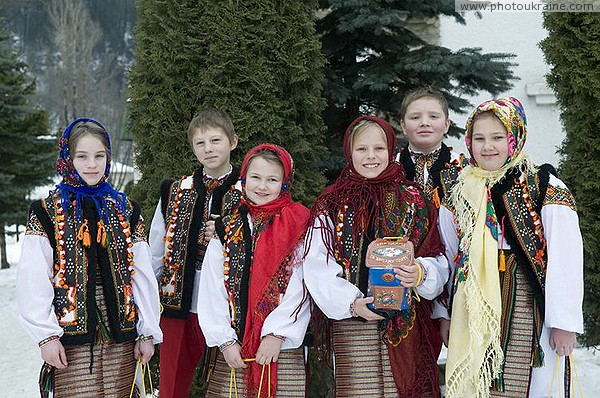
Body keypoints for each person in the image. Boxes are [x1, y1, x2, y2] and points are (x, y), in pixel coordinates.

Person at [438, 97, 584, 397]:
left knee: (523, 383)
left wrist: (564, 322)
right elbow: (452, 258)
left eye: (497, 137)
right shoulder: (458, 193)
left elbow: (566, 258)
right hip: (472, 310)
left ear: (514, 137)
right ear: (469, 141)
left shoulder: (543, 185)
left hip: (527, 305)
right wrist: (446, 314)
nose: (487, 146)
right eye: (479, 138)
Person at [303, 115, 449, 397]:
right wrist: (351, 303)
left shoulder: (414, 198)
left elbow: (437, 254)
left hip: (406, 326)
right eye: (362, 149)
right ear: (349, 152)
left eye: (379, 149)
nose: (371, 156)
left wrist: (420, 272)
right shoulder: (331, 202)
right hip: (352, 323)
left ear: (391, 150)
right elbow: (317, 264)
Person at [17, 118, 162, 397]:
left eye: (99, 156)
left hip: (122, 330)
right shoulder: (47, 211)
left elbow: (141, 274)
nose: (92, 164)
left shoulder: (126, 209)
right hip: (69, 334)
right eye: (82, 157)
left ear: (109, 158)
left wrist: (147, 331)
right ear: (67, 159)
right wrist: (45, 335)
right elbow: (34, 278)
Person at [197, 144, 311, 397]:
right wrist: (225, 339)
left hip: (281, 347)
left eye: (272, 179)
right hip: (234, 347)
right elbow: (212, 286)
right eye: (255, 177)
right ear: (244, 178)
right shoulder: (228, 227)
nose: (262, 186)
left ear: (284, 183)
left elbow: (301, 285)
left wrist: (278, 334)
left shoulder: (298, 223)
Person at [148, 108, 241, 398]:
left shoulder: (250, 189)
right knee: (172, 385)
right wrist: (150, 299)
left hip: (231, 308)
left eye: (216, 140)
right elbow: (155, 249)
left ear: (233, 142)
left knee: (234, 385)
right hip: (179, 305)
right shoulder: (175, 191)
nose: (208, 149)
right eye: (200, 143)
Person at [397, 87, 467, 207]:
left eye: (433, 117)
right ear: (403, 126)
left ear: (446, 125)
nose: (424, 123)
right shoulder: (392, 165)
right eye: (415, 117)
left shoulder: (463, 168)